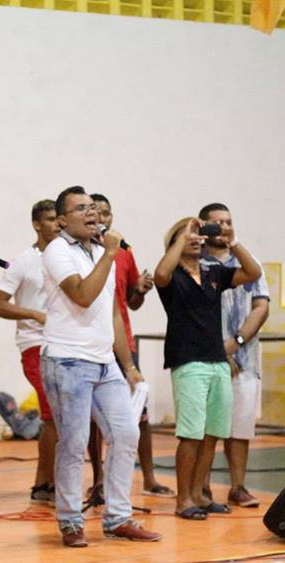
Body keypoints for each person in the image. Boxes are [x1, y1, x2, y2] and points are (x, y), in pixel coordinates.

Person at [41, 186, 162, 547]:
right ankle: (70, 521)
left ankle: (118, 517)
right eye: (81, 208)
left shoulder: (100, 252)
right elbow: (82, 295)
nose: (91, 213)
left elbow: (112, 313)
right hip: (67, 360)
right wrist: (110, 253)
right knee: (74, 443)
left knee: (126, 434)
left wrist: (128, 364)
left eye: (92, 207)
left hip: (105, 361)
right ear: (62, 220)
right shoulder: (57, 250)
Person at [154, 216, 261, 521]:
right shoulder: (172, 275)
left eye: (198, 234)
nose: (196, 238)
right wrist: (180, 238)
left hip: (217, 360)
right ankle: (183, 499)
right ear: (175, 242)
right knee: (190, 433)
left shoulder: (212, 271)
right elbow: (160, 274)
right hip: (188, 360)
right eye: (189, 234)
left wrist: (232, 241)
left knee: (213, 432)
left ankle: (200, 492)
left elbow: (253, 272)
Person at [90, 193, 172, 500]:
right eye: (96, 212)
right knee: (95, 419)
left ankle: (149, 478)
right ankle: (98, 480)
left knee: (139, 410)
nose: (102, 218)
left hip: (123, 340)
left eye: (107, 213)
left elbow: (132, 303)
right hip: (93, 343)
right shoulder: (83, 251)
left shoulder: (125, 252)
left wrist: (141, 289)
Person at [0, 199, 60, 506]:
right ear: (36, 225)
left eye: (59, 218)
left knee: (59, 417)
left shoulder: (69, 257)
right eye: (51, 219)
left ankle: (46, 484)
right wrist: (34, 314)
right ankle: (48, 485)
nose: (57, 224)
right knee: (53, 414)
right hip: (35, 346)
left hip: (65, 344)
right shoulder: (23, 262)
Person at [198, 203, 270, 508]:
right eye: (217, 223)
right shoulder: (195, 263)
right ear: (203, 225)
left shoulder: (248, 263)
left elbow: (261, 307)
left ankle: (238, 486)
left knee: (240, 428)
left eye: (228, 222)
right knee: (206, 428)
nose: (224, 228)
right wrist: (219, 349)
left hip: (245, 359)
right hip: (206, 357)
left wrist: (237, 341)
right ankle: (200, 487)